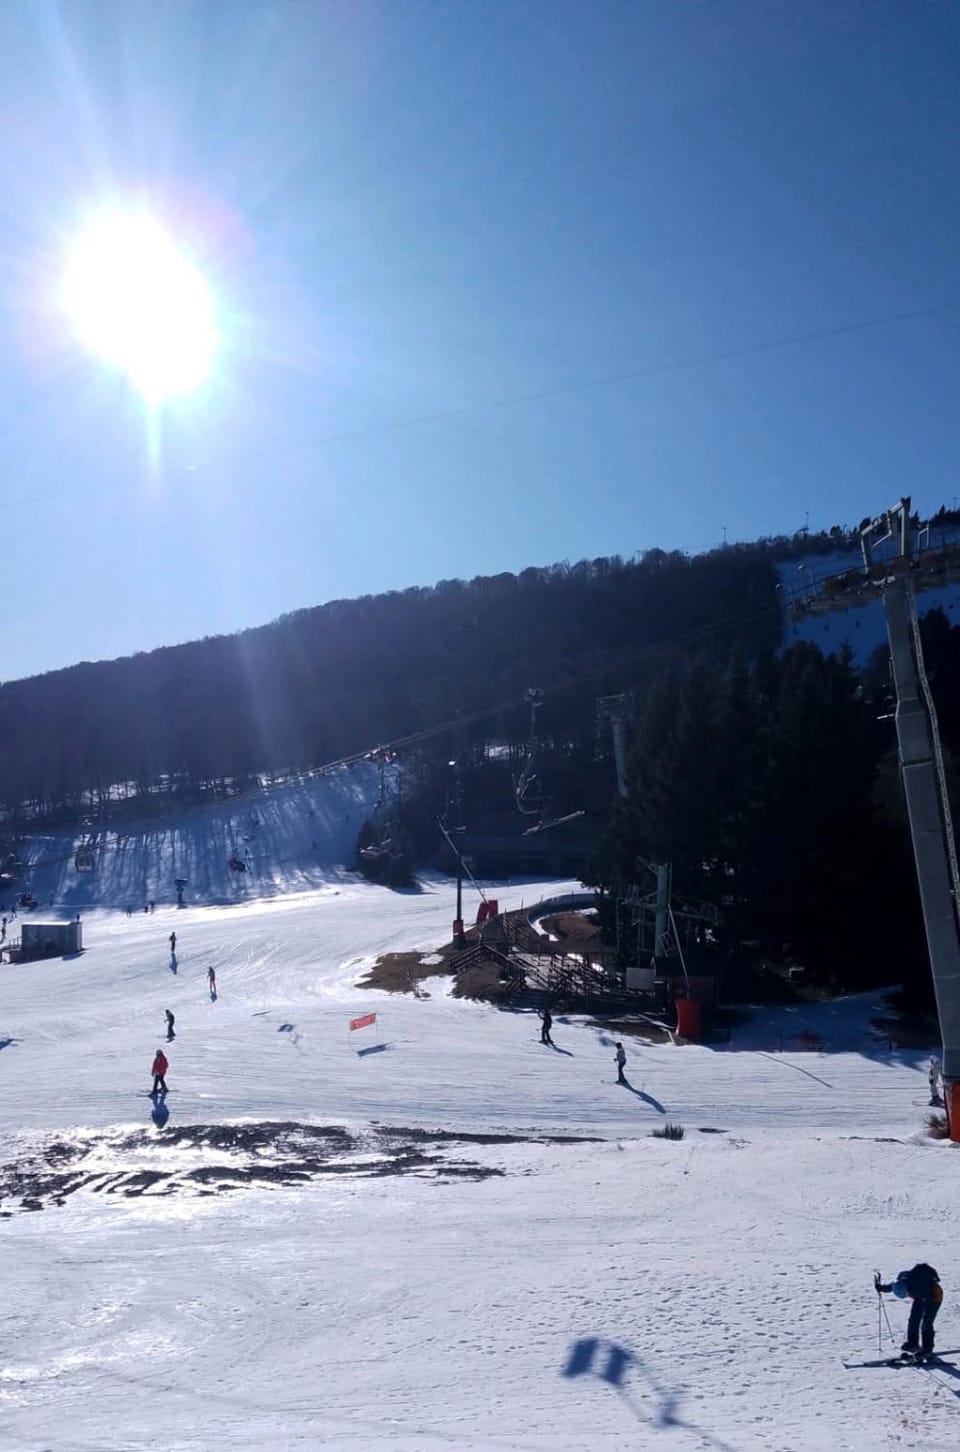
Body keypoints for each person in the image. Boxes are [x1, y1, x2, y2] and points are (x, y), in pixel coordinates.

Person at [875, 1265, 943, 1360]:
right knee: (914, 1319)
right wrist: (882, 1288)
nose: (908, 1296)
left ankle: (927, 1349)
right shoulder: (902, 1282)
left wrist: (923, 1303)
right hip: (920, 1296)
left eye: (908, 1294)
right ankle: (913, 1343)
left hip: (934, 1296)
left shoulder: (920, 1287)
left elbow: (925, 1298)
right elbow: (893, 1286)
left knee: (927, 1323)